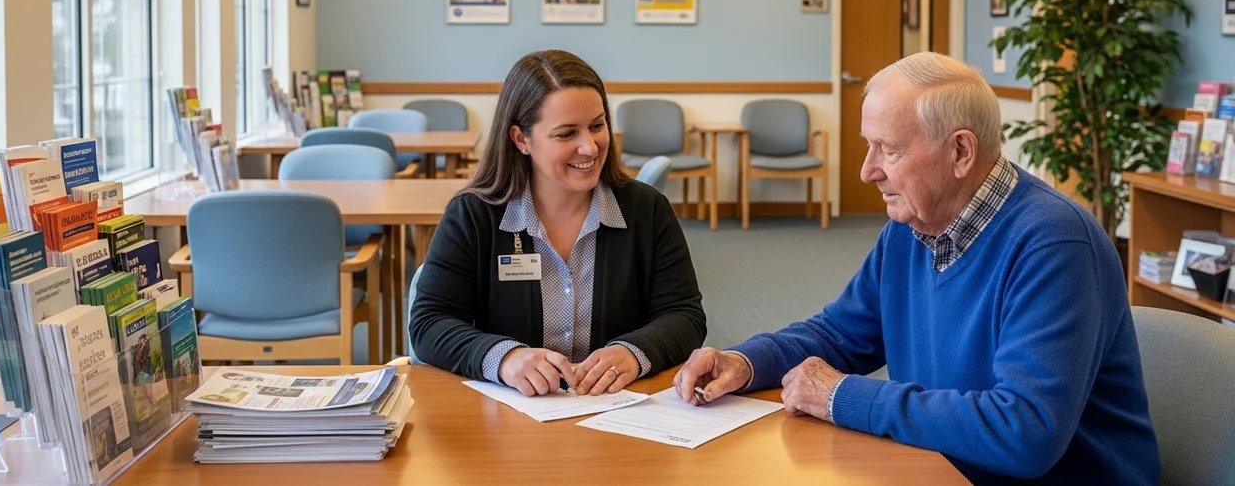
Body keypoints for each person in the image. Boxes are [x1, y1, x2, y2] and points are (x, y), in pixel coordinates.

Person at [674, 52, 1158, 485]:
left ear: (961, 152)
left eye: (888, 148)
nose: (868, 171)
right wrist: (745, 362)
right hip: (945, 465)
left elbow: (1025, 433)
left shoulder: (1054, 243)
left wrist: (843, 396)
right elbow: (841, 335)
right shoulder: (913, 224)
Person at [410, 49, 706, 398]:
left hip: (615, 412)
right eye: (566, 134)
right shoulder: (474, 215)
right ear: (521, 139)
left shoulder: (647, 209)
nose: (589, 147)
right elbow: (430, 323)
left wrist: (634, 352)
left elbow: (685, 316)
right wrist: (504, 358)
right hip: (507, 419)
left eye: (597, 126)